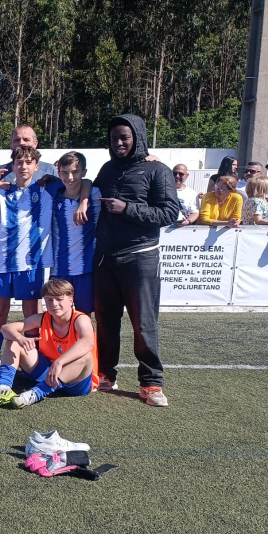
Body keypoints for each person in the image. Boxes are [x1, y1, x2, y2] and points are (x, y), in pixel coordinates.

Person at [93, 114, 180, 407]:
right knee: (105, 321)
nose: (119, 143)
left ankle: (151, 383)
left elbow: (169, 213)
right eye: (114, 137)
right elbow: (88, 194)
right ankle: (105, 374)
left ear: (137, 138)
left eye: (125, 137)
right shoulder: (106, 170)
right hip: (105, 258)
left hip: (140, 257)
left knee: (144, 324)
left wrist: (127, 208)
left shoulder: (157, 170)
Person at [0, 145, 60, 386]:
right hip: (4, 263)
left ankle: (32, 362)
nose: (23, 167)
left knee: (31, 314)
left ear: (35, 165)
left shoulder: (47, 188)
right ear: (13, 165)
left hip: (31, 264)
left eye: (28, 162)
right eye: (18, 162)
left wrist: (52, 177)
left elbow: (80, 181)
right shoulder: (2, 193)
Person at [0, 278, 98, 409]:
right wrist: (21, 339)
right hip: (48, 373)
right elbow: (5, 328)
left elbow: (87, 342)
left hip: (76, 382)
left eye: (59, 299)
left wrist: (59, 362)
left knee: (85, 356)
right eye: (49, 300)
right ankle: (4, 388)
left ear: (71, 300)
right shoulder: (44, 317)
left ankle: (36, 393)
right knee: (14, 340)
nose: (54, 304)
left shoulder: (81, 319)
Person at [49, 152, 100, 314]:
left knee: (84, 315)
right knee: (59, 315)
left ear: (84, 172)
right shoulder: (53, 195)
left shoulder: (95, 195)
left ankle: (88, 341)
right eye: (64, 172)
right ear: (58, 173)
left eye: (75, 171)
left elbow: (88, 183)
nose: (70, 177)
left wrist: (83, 202)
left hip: (86, 268)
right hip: (59, 268)